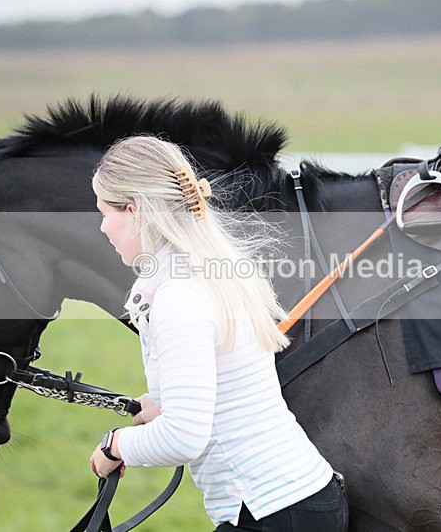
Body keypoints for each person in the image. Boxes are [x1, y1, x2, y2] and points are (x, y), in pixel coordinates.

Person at [89, 135, 348, 531]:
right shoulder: (206, 271)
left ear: (135, 211)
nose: (103, 228)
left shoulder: (178, 296)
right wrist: (160, 410)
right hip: (297, 502)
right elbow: (223, 392)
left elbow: (183, 438)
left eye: (105, 212)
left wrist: (116, 445)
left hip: (273, 513)